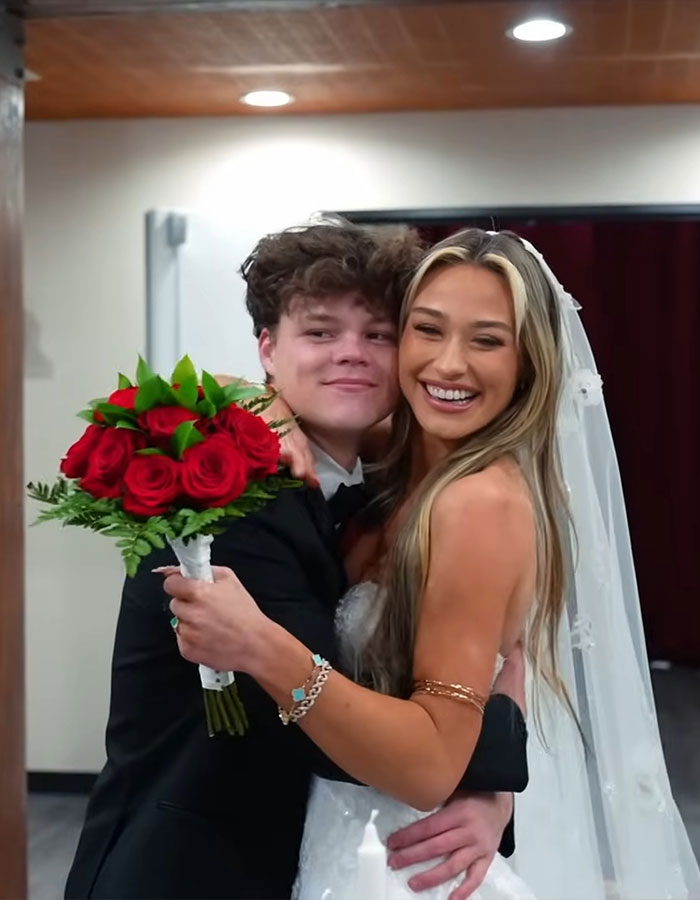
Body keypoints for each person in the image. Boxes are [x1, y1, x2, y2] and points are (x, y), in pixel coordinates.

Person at [163, 228, 700, 900]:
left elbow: (429, 766)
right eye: (427, 330)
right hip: (334, 842)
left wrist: (263, 648)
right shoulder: (401, 457)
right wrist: (255, 398)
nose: (449, 365)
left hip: (401, 860)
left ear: (528, 362)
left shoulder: (478, 502)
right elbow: (502, 661)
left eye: (487, 340)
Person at [65, 223, 528, 900]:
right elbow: (323, 725)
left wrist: (493, 793)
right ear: (267, 351)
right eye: (320, 333)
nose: (352, 354)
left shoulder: (390, 488)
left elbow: (499, 650)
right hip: (186, 870)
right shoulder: (233, 500)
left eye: (378, 335)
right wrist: (483, 768)